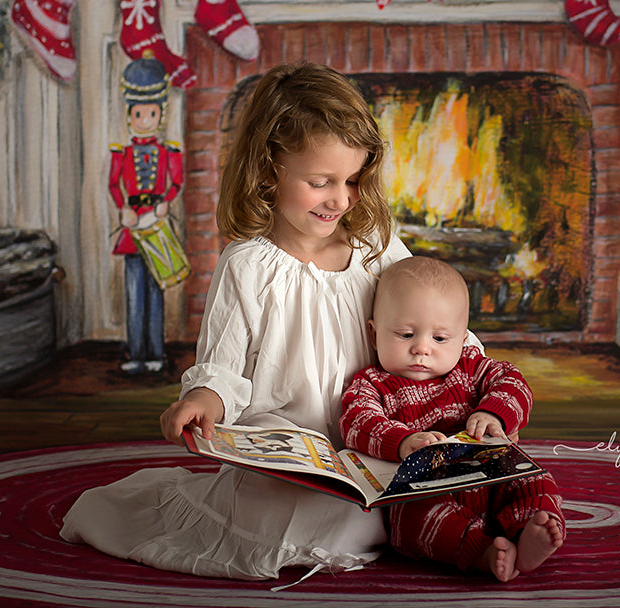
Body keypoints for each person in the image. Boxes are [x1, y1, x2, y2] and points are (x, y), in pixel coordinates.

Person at [62, 62, 420, 581]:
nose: (340, 199)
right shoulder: (248, 265)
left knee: (437, 491)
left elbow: (434, 319)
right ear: (270, 167)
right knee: (317, 520)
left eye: (353, 180)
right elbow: (222, 368)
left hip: (375, 439)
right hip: (288, 454)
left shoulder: (376, 251)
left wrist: (469, 374)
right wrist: (202, 400)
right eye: (321, 182)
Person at [339, 256, 566, 583]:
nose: (421, 349)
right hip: (425, 489)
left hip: (492, 476)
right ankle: (485, 553)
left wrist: (493, 412)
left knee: (534, 481)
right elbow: (357, 421)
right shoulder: (372, 383)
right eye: (405, 335)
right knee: (414, 521)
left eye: (440, 338)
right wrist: (403, 441)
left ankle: (532, 530)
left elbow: (514, 382)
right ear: (374, 335)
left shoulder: (471, 368)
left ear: (463, 339)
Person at [108, 51, 187, 374]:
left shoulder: (168, 152)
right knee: (133, 294)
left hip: (157, 226)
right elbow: (114, 185)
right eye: (138, 114)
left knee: (156, 291)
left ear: (160, 114)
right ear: (130, 115)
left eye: (150, 114)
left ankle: (155, 353)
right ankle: (136, 354)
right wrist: (123, 208)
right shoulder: (121, 153)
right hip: (132, 229)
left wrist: (167, 200)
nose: (144, 120)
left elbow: (177, 182)